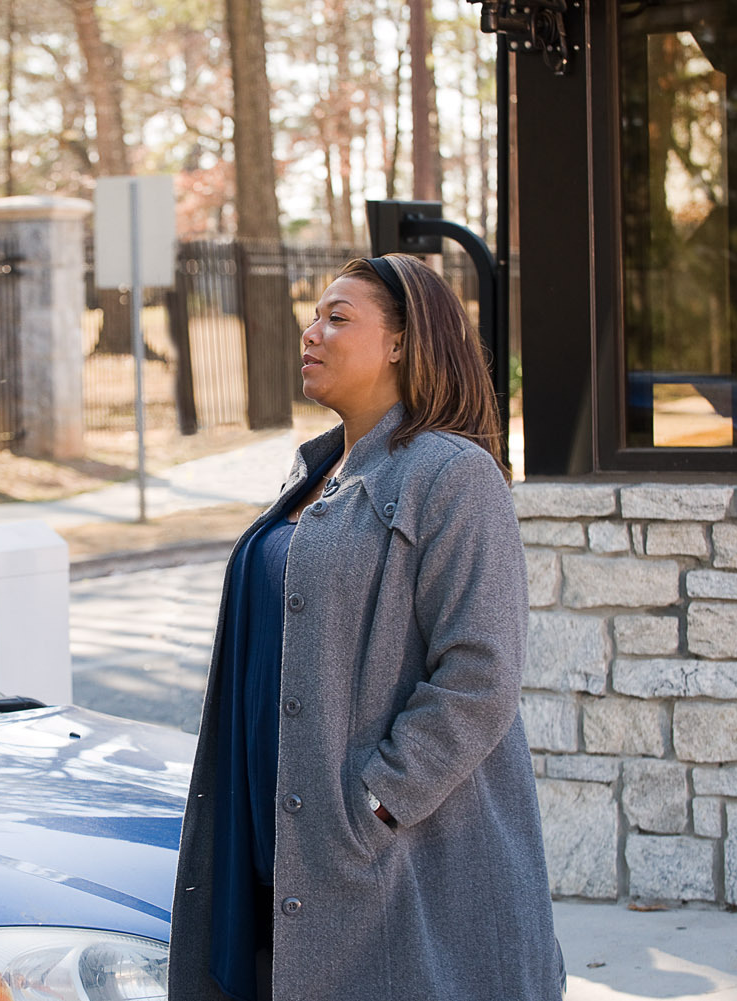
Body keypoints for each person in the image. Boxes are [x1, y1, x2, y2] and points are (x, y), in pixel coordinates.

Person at [167, 254, 564, 1001]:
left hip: (380, 864)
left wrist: (375, 803)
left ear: (402, 342)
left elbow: (481, 672)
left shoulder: (451, 474)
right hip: (270, 855)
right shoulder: (316, 472)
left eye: (337, 317)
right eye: (314, 316)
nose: (310, 332)